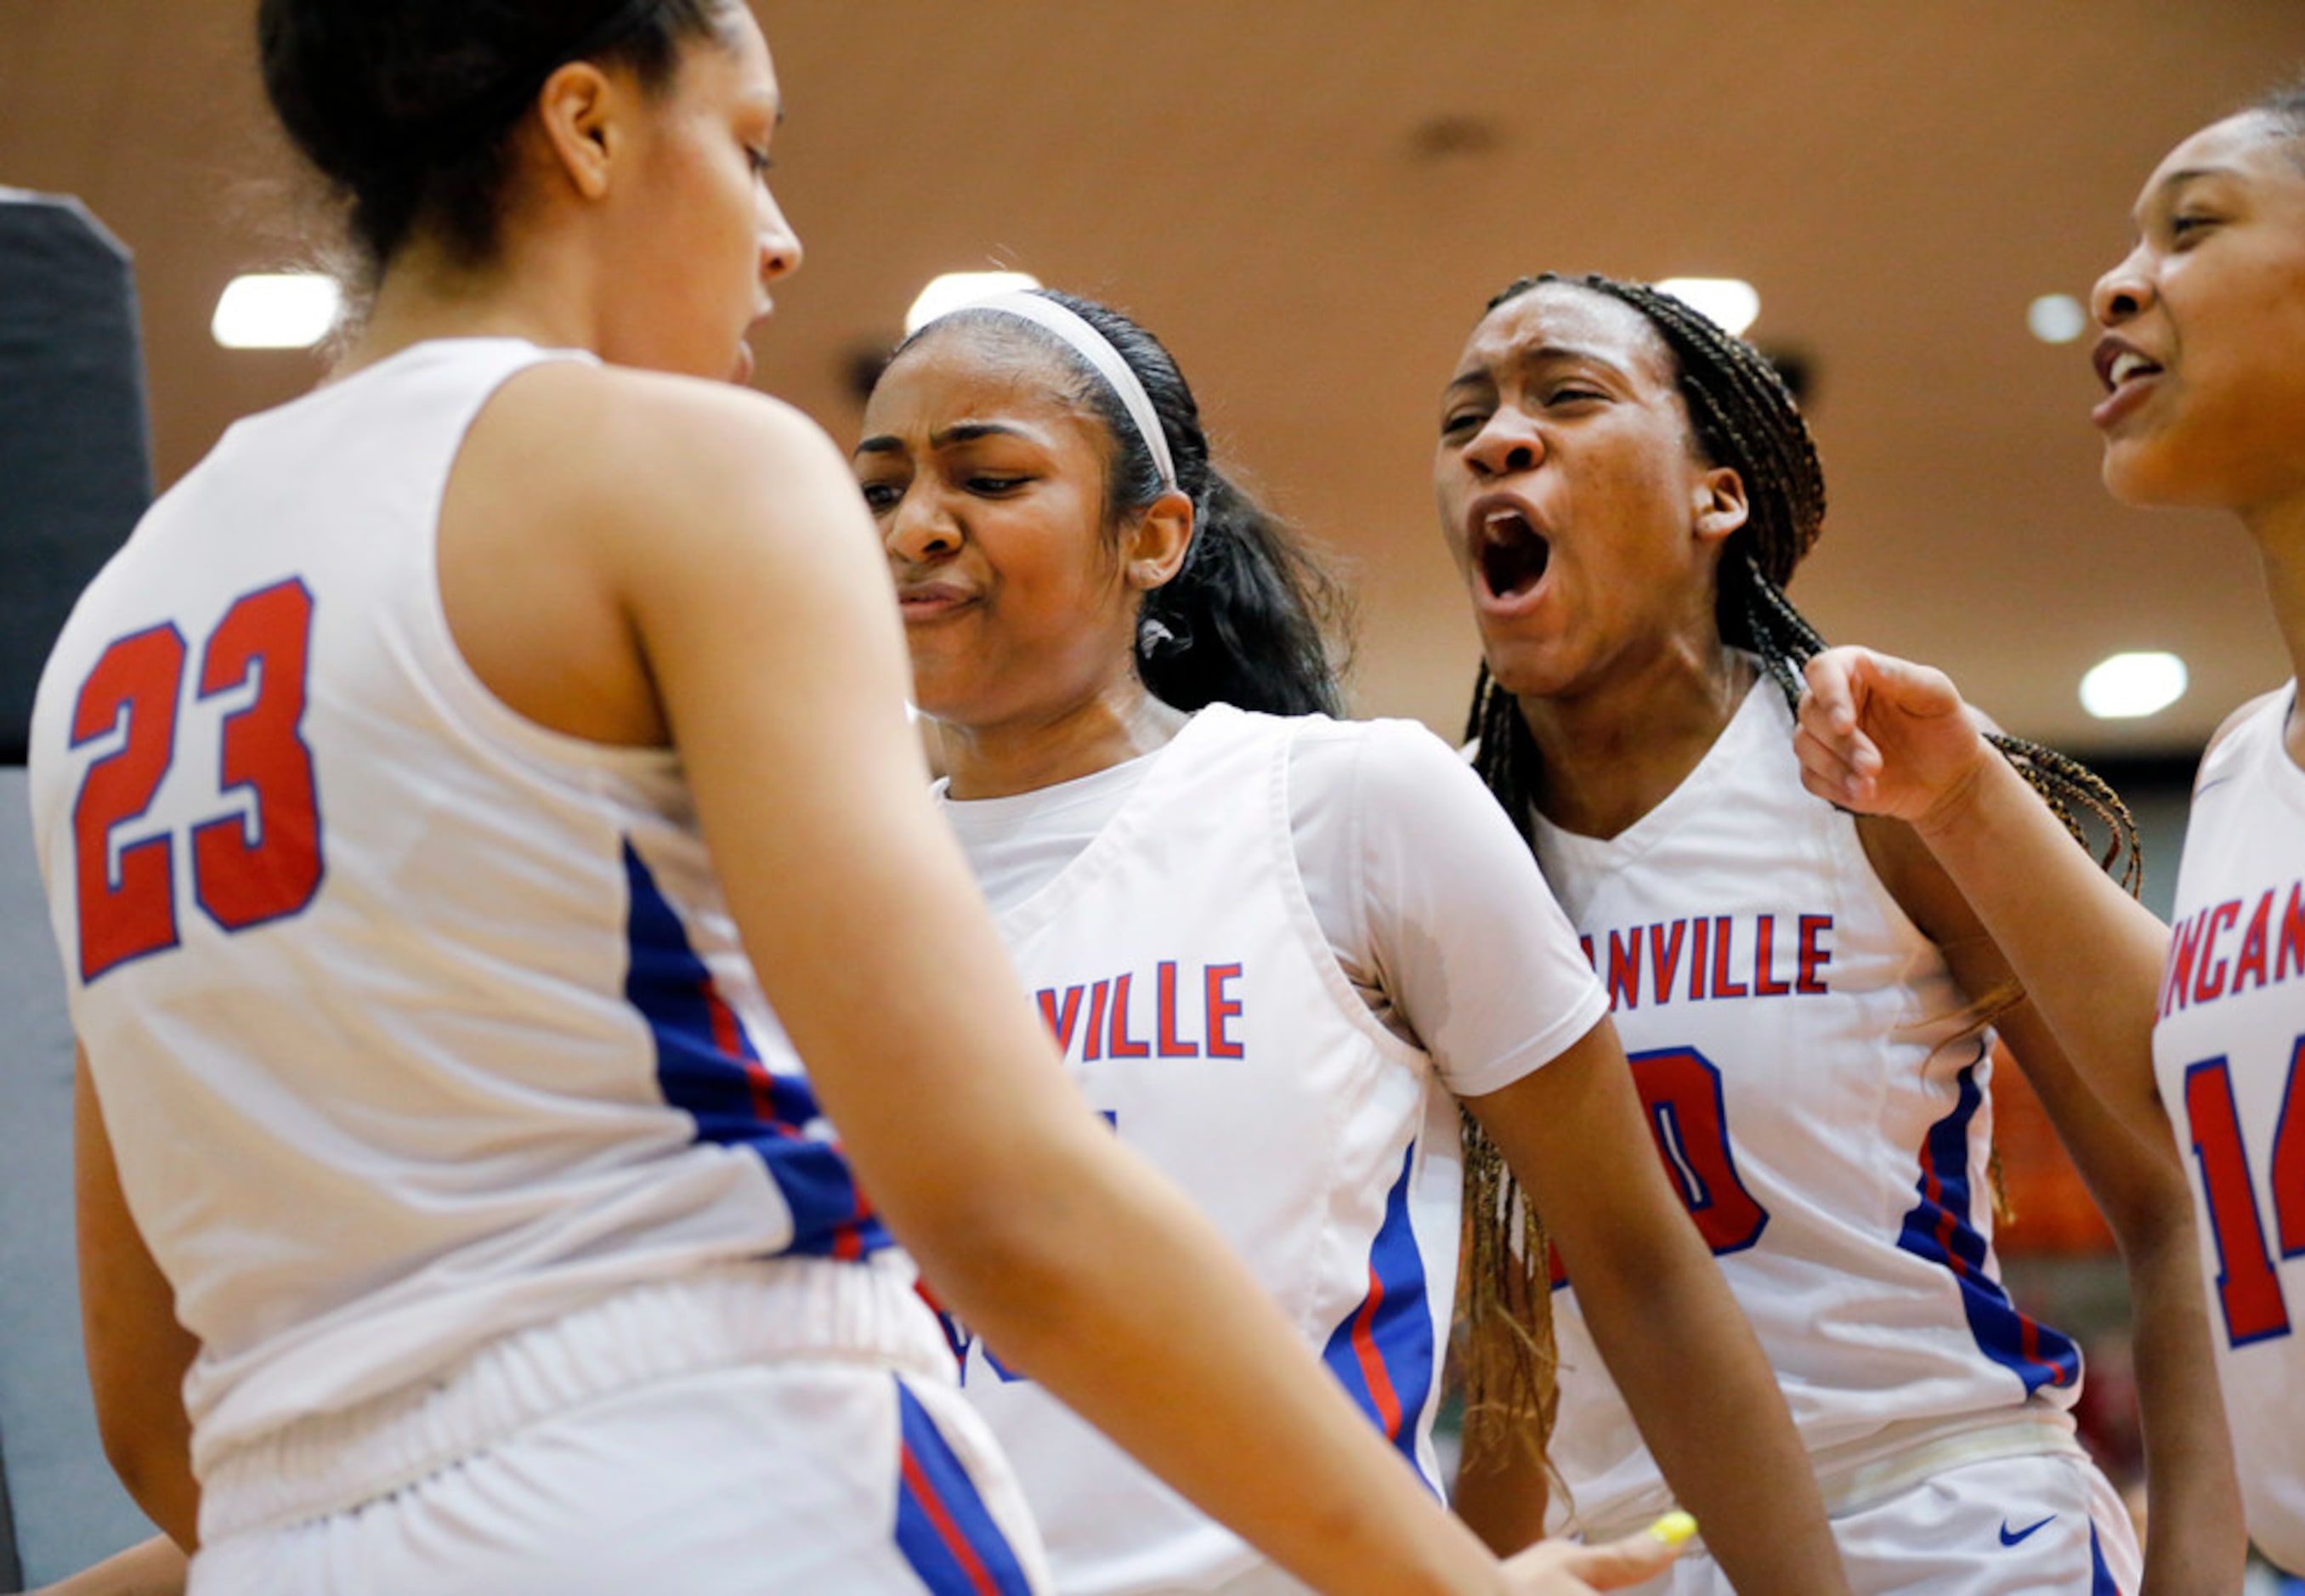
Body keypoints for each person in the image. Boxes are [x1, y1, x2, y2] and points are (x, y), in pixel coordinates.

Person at [21, 3, 1645, 1592]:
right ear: (589, 126)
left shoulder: (114, 629)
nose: (782, 239)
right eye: (747, 147)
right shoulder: (686, 470)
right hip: (721, 1478)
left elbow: (146, 1385)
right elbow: (1005, 1208)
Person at [853, 286, 1847, 1596]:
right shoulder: (828, 893)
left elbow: (1640, 1268)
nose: (916, 526)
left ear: (1151, 537)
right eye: (877, 488)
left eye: (987, 476)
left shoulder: (1346, 806)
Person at [1434, 270, 2245, 1594]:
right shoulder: (1444, 842)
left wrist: (2196, 1580)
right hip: (1640, 1554)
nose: (1496, 439)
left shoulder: (1872, 767)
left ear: (1719, 496)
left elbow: (2179, 1197)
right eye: (1466, 415)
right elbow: (1523, 1352)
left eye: (1566, 397)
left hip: (1945, 1518)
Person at [1793, 62, 2305, 1587]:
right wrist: (1961, 794)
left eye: (2192, 228)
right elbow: (2196, 1090)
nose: (2119, 281)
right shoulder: (2248, 768)